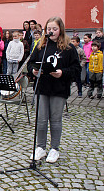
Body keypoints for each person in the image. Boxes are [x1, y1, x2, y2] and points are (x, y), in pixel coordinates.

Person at [28, 16, 81, 163]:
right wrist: (33, 71)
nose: (51, 32)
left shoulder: (69, 48)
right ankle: (40, 147)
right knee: (41, 119)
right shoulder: (41, 46)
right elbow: (31, 63)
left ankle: (54, 149)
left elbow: (76, 68)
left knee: (55, 120)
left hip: (59, 88)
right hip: (42, 87)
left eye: (54, 29)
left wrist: (62, 73)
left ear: (60, 30)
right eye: (49, 29)